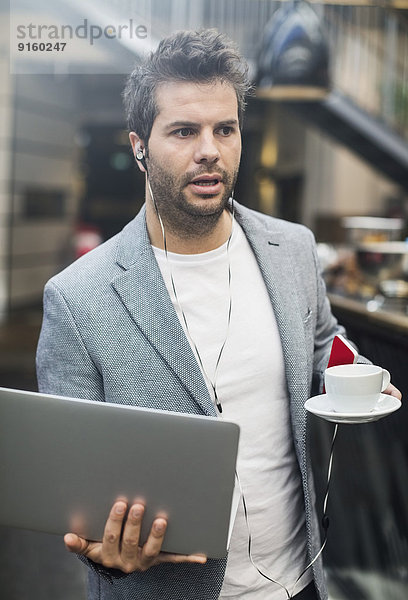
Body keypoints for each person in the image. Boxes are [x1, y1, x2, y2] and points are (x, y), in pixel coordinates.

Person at [36, 29, 401, 600]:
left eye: (224, 129)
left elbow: (325, 340)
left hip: (300, 582)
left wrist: (362, 376)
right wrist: (108, 554)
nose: (209, 149)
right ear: (139, 146)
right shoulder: (79, 299)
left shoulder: (293, 250)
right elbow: (71, 492)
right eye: (184, 131)